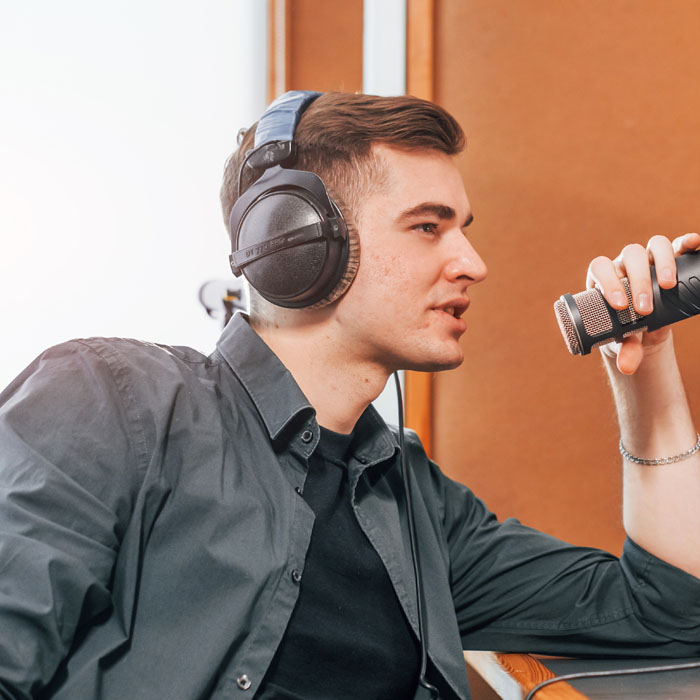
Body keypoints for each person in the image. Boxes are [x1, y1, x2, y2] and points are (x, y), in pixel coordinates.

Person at [1, 91, 699, 700]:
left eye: (462, 230)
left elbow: (670, 612)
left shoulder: (416, 502)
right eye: (428, 226)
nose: (473, 264)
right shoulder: (110, 403)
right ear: (295, 240)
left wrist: (647, 359)